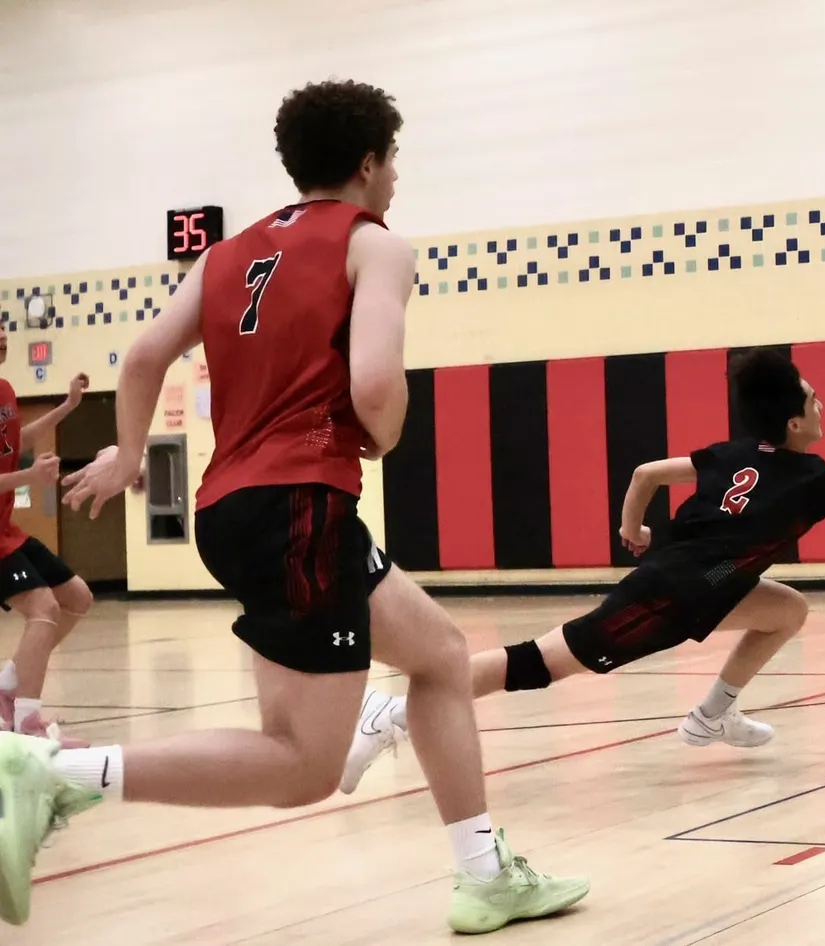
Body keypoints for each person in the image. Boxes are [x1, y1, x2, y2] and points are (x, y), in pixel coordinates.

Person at [0, 79, 587, 934]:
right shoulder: (374, 244)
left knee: (439, 656)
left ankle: (486, 874)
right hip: (299, 507)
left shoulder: (226, 254)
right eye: (393, 163)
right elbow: (376, 381)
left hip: (239, 507)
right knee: (302, 765)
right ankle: (54, 774)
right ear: (367, 162)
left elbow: (142, 358)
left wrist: (128, 454)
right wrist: (381, 433)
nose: (395, 182)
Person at [337, 348, 825, 793]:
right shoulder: (813, 478)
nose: (823, 403)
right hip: (672, 593)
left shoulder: (730, 454)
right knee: (543, 663)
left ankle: (709, 716)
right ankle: (394, 712)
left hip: (707, 580)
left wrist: (631, 527)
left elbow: (646, 470)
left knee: (785, 610)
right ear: (793, 423)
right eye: (815, 398)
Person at [0, 362, 94, 737]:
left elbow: (17, 441)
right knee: (44, 608)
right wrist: (29, 477)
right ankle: (26, 721)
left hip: (6, 530)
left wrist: (69, 405)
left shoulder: (5, 389)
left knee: (77, 597)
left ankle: (8, 682)